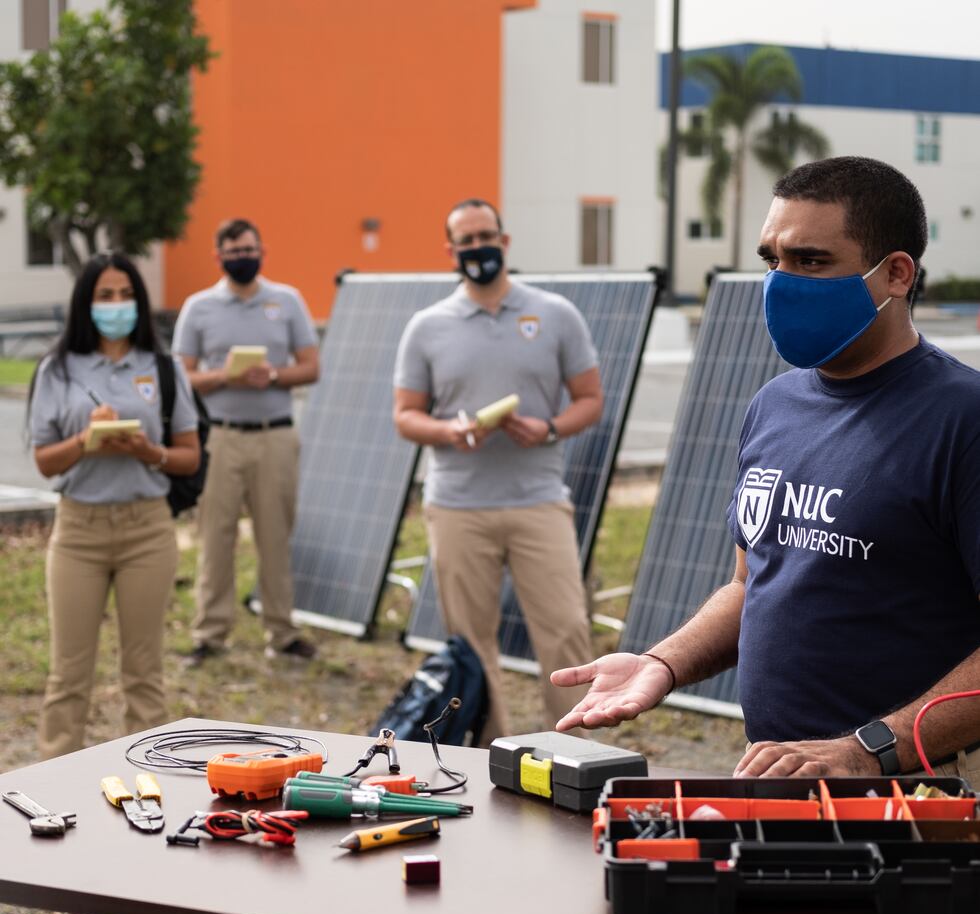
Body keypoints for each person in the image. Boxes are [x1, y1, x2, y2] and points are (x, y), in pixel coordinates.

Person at [552, 157, 980, 782]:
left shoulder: (961, 418)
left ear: (895, 273)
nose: (782, 281)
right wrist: (662, 662)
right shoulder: (774, 405)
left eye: (810, 260)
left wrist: (868, 750)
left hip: (920, 790)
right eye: (770, 259)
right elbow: (753, 583)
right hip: (781, 775)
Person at [393, 198, 604, 744]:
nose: (476, 248)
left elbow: (590, 400)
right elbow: (405, 415)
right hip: (457, 506)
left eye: (485, 236)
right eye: (465, 241)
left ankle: (574, 752)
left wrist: (550, 428)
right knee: (472, 645)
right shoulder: (426, 326)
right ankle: (489, 755)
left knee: (564, 633)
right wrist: (447, 432)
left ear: (504, 241)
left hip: (538, 500)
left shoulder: (556, 314)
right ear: (450, 251)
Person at [29, 252, 200, 759]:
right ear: (86, 303)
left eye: (126, 294)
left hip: (147, 528)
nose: (116, 305)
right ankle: (50, 788)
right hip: (78, 530)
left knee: (144, 673)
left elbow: (188, 457)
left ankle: (148, 784)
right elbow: (44, 461)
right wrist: (88, 439)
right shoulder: (56, 369)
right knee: (68, 674)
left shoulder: (163, 367)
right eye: (105, 295)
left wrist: (147, 451)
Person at [172, 218, 320, 664]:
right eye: (234, 252)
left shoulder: (287, 301)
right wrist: (225, 376)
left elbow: (311, 367)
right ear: (219, 258)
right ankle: (210, 634)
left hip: (274, 434)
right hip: (219, 437)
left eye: (249, 250)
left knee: (275, 536)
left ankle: (282, 632)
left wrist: (272, 375)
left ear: (263, 251)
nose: (243, 258)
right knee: (215, 536)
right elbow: (182, 375)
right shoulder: (198, 308)